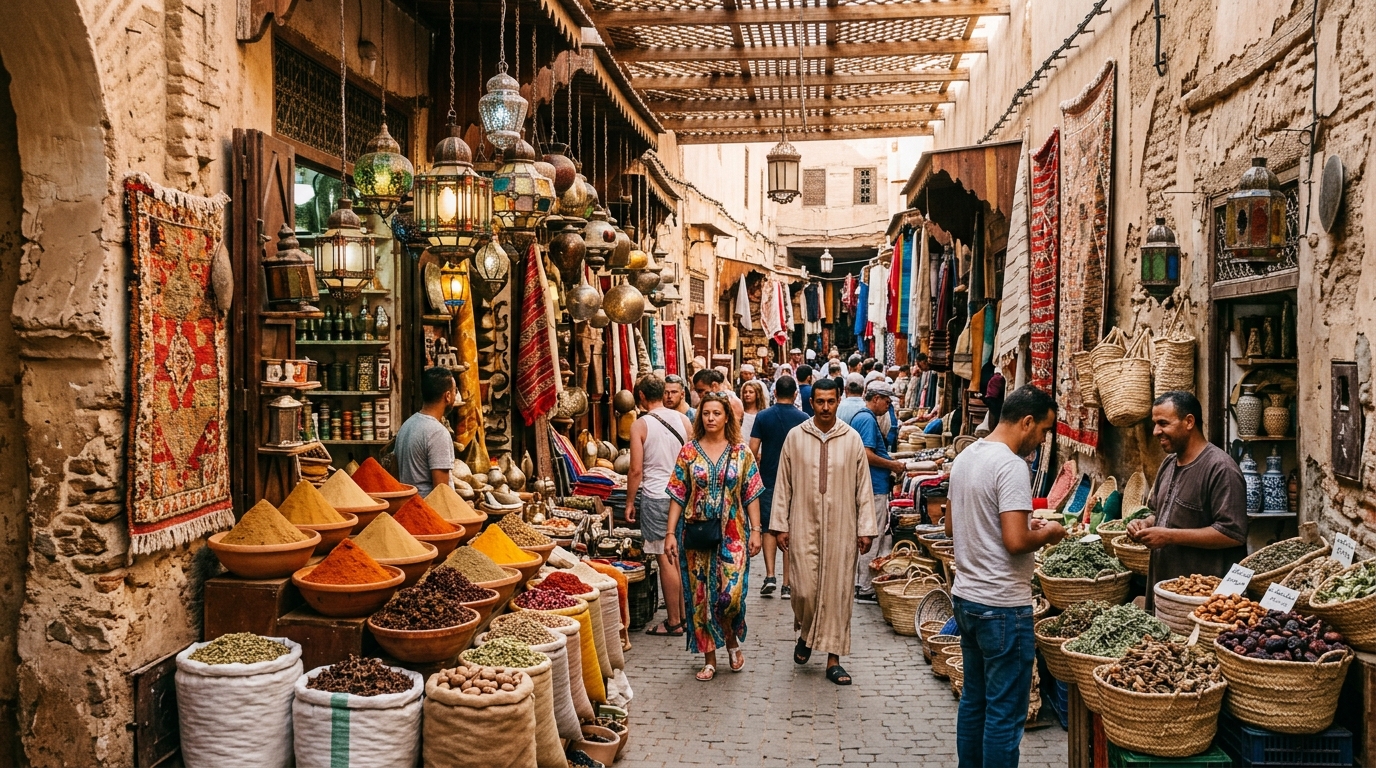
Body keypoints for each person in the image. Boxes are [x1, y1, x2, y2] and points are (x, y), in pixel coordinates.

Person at [946, 385, 1067, 768]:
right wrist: (1048, 532)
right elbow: (1016, 541)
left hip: (967, 598)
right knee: (1003, 714)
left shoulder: (967, 456)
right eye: (1044, 430)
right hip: (1002, 605)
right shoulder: (1012, 465)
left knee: (975, 702)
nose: (1043, 439)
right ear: (1027, 422)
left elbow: (950, 525)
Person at [773, 377, 876, 685]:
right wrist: (780, 524)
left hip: (842, 526)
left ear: (838, 401)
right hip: (802, 522)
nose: (826, 407)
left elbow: (863, 487)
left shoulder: (852, 438)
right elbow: (783, 483)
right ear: (811, 403)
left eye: (831, 401)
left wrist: (865, 527)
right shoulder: (795, 437)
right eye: (820, 402)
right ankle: (806, 633)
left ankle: (834, 659)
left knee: (838, 592)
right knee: (803, 589)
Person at [665, 394, 765, 681]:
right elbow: (678, 493)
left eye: (716, 413)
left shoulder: (740, 452)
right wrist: (670, 533)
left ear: (726, 418)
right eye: (706, 413)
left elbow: (752, 493)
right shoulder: (688, 452)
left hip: (733, 533)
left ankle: (731, 639)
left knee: (729, 597)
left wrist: (756, 530)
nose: (710, 418)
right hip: (696, 534)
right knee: (700, 598)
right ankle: (709, 658)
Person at [1129, 391, 1248, 598]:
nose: (1156, 431)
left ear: (1189, 422)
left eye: (1163, 423)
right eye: (1155, 424)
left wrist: (1168, 536)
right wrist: (1146, 524)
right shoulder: (1168, 463)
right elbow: (1160, 513)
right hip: (1167, 587)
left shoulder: (1221, 469)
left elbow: (1232, 533)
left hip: (1205, 597)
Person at [625, 374, 694, 638]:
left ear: (641, 396)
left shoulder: (640, 425)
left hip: (655, 496)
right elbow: (691, 458)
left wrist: (630, 501)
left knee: (664, 558)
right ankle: (685, 616)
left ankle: (674, 621)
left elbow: (635, 470)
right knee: (678, 557)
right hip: (681, 495)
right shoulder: (683, 420)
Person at [749, 376, 809, 599]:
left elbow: (752, 450)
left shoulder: (763, 417)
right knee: (789, 529)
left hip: (768, 479)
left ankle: (770, 576)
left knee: (768, 528)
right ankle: (787, 584)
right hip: (795, 481)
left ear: (774, 393)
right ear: (795, 394)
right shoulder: (804, 418)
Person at [850, 380, 907, 603]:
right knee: (870, 536)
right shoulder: (866, 418)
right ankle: (865, 586)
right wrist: (893, 465)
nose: (888, 406)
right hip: (873, 486)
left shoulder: (865, 418)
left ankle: (862, 582)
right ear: (876, 399)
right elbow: (866, 454)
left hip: (873, 485)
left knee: (870, 534)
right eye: (886, 401)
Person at [394, 367, 457, 496]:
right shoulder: (438, 433)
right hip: (427, 511)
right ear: (448, 396)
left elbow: (395, 471)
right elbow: (441, 493)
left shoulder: (407, 425)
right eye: (455, 391)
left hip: (410, 506)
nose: (456, 395)